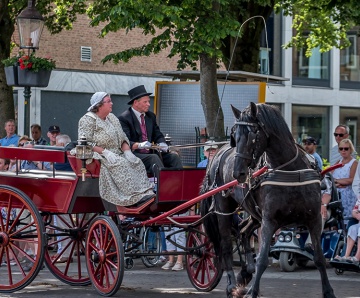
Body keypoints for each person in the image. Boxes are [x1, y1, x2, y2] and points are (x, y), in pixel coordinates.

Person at [78, 91, 155, 207]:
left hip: (118, 152)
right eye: (108, 101)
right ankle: (132, 197)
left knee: (136, 162)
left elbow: (122, 137)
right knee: (121, 163)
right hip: (99, 154)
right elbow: (86, 142)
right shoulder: (87, 120)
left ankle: (145, 192)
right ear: (99, 105)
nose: (111, 103)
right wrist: (105, 152)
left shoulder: (112, 118)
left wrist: (127, 151)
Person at [118, 85, 182, 173]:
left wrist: (162, 143)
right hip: (135, 154)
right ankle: (162, 184)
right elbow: (125, 140)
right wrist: (140, 145)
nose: (149, 104)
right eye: (145, 102)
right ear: (136, 102)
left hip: (151, 152)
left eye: (148, 101)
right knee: (153, 158)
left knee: (173, 157)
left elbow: (157, 134)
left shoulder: (150, 116)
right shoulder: (124, 118)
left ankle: (179, 183)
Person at [332, 139, 358, 224]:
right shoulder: (338, 162)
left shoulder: (354, 163)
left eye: (346, 148)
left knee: (348, 220)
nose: (343, 151)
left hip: (349, 197)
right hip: (337, 196)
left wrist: (336, 181)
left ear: (351, 149)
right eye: (341, 148)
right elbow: (330, 178)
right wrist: (338, 183)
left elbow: (352, 179)